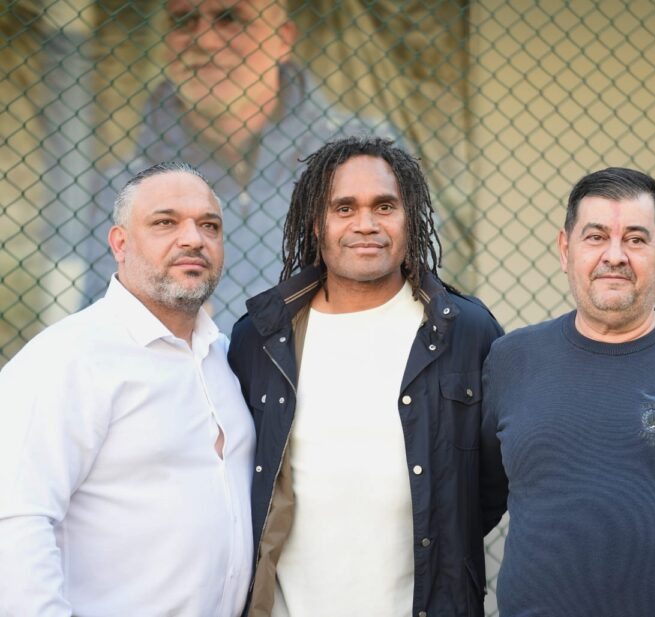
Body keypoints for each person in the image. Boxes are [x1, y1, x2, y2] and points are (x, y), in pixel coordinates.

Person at [228, 136, 504, 617]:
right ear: (317, 223)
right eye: (344, 208)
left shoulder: (465, 331)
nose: (366, 224)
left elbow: (492, 481)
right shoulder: (260, 338)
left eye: (384, 206)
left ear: (409, 217)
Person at [480, 167, 655, 616]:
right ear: (565, 250)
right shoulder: (511, 361)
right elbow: (473, 506)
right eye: (596, 237)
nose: (614, 256)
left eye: (635, 239)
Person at [0, 162, 256, 616]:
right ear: (120, 244)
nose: (194, 239)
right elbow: (16, 520)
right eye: (165, 222)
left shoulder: (224, 358)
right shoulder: (68, 359)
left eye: (209, 226)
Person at [83, 0, 397, 335]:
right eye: (184, 20)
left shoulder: (367, 157)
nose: (204, 40)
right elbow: (106, 333)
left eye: (230, 18)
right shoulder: (124, 187)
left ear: (282, 38)